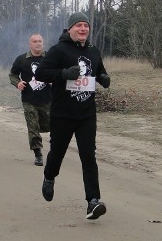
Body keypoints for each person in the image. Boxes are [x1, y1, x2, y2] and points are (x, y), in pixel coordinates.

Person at [35, 13, 111, 220]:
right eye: (78, 25)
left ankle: (93, 201)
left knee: (88, 156)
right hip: (62, 114)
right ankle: (49, 177)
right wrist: (63, 74)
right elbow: (40, 73)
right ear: (70, 29)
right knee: (57, 152)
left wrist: (104, 78)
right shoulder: (59, 50)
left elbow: (100, 71)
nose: (83, 29)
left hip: (86, 114)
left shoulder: (94, 51)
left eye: (86, 26)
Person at [9, 33, 52, 166]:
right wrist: (18, 83)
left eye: (40, 41)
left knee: (51, 126)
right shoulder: (22, 59)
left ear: (43, 43)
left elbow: (58, 71)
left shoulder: (50, 58)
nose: (37, 43)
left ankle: (55, 150)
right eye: (34, 41)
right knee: (33, 127)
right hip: (29, 100)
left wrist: (55, 80)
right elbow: (13, 74)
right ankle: (37, 154)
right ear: (30, 44)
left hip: (48, 100)